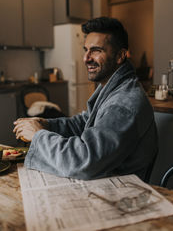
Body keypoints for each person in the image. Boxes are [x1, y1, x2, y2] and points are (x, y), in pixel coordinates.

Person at [13, 17, 158, 181]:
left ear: (120, 56)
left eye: (96, 50)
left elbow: (83, 161)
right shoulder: (112, 88)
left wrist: (38, 135)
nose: (86, 58)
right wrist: (46, 124)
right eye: (85, 50)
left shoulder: (123, 105)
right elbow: (84, 123)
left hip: (119, 193)